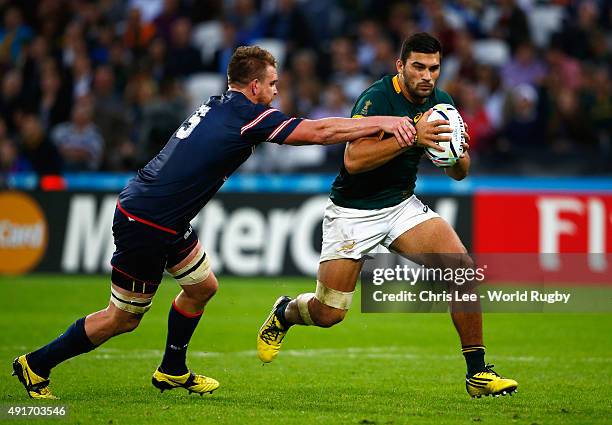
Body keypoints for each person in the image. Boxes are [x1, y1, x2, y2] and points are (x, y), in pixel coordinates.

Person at [12, 46, 417, 400]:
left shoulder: (216, 103)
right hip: (148, 220)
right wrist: (382, 122)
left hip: (163, 214)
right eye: (272, 83)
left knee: (202, 286)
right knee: (123, 318)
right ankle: (36, 364)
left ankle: (172, 370)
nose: (276, 91)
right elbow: (319, 130)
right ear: (254, 86)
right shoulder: (247, 115)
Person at [257, 33, 519, 399]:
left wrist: (456, 154)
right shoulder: (376, 98)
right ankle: (285, 312)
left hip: (400, 206)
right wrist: (414, 137)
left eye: (434, 68)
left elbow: (459, 172)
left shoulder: (442, 103)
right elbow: (354, 160)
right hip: (353, 211)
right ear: (400, 66)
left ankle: (478, 373)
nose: (427, 76)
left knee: (461, 269)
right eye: (418, 67)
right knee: (329, 312)